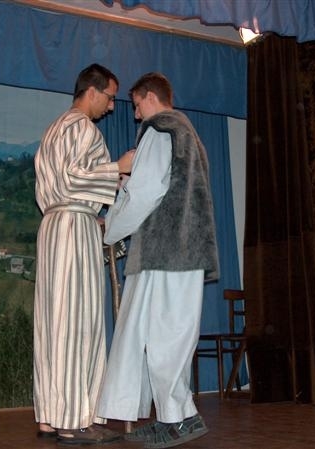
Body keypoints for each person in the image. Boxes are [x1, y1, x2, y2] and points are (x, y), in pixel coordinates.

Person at [97, 72, 219, 449]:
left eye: (136, 105)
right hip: (186, 249)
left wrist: (110, 228)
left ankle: (177, 420)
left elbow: (147, 191)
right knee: (170, 334)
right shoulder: (189, 135)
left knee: (162, 336)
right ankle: (175, 417)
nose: (135, 114)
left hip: (166, 250)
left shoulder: (159, 129)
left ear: (151, 97)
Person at [33, 63, 135, 445]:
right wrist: (118, 167)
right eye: (109, 97)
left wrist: (98, 203)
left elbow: (62, 183)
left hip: (55, 226)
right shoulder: (82, 127)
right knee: (77, 323)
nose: (110, 107)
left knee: (53, 324)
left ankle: (50, 416)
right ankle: (74, 421)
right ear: (92, 91)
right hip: (73, 229)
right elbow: (74, 178)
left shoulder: (54, 129)